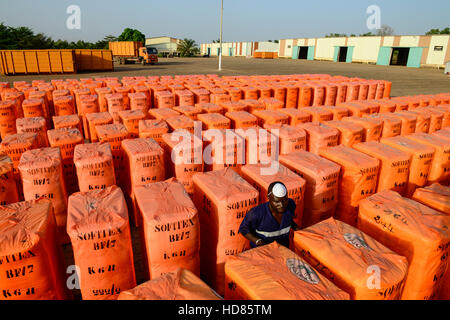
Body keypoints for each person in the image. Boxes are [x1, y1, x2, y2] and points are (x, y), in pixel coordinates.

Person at [239, 181, 299, 248]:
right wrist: (258, 241)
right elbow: (243, 229)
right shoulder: (256, 213)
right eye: (276, 201)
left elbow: (288, 220)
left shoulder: (290, 205)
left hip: (283, 249)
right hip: (263, 251)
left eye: (284, 200)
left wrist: (297, 228)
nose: (281, 205)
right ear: (268, 198)